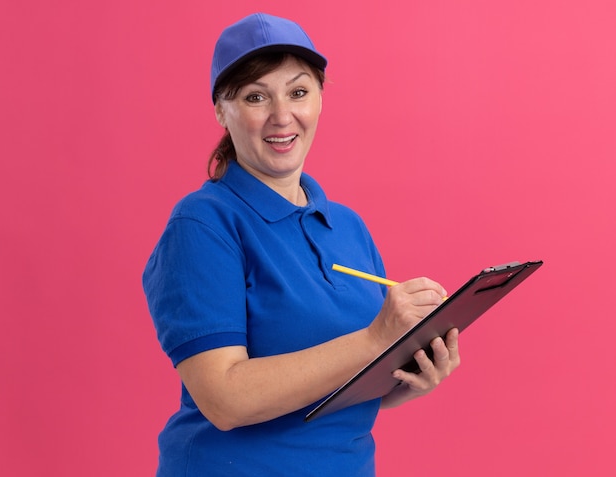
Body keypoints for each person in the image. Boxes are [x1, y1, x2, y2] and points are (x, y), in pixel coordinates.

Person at [143, 12, 460, 476]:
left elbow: (341, 383)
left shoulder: (348, 227)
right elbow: (225, 399)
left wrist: (408, 377)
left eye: (298, 92)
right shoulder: (202, 225)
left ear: (319, 99)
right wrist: (375, 337)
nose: (282, 116)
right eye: (256, 97)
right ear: (220, 110)